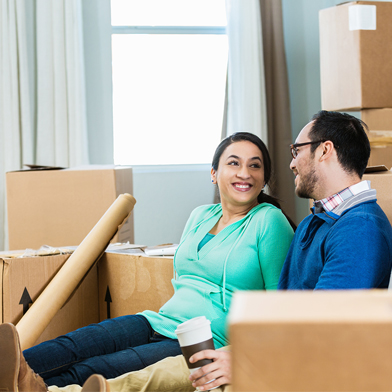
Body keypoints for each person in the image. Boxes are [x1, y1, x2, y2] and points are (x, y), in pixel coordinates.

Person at [47, 110, 392, 392]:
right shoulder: (318, 221)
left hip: (301, 366)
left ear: (325, 150)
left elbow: (326, 327)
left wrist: (244, 354)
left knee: (148, 375)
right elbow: (284, 310)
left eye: (297, 151)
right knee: (94, 357)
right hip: (263, 347)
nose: (292, 164)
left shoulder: (359, 228)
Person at [0, 132, 295, 391]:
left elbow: (278, 305)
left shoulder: (269, 222)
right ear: (214, 173)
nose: (245, 172)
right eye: (234, 163)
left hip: (206, 340)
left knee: (91, 370)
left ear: (264, 178)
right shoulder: (200, 215)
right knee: (71, 345)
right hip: (160, 320)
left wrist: (241, 354)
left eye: (254, 165)